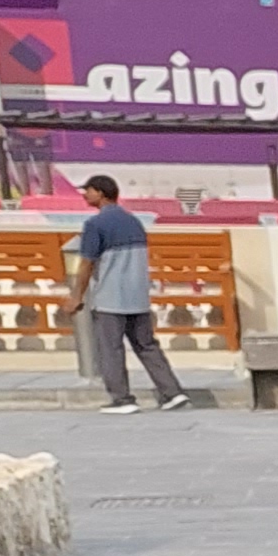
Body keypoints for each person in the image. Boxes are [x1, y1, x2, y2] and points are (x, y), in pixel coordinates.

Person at [61, 175, 197, 411]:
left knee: (110, 349)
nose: (85, 195)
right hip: (138, 297)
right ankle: (172, 393)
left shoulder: (95, 225)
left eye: (89, 191)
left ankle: (122, 399)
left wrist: (76, 297)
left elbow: (86, 264)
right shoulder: (133, 221)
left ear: (101, 193)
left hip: (110, 298)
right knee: (146, 346)